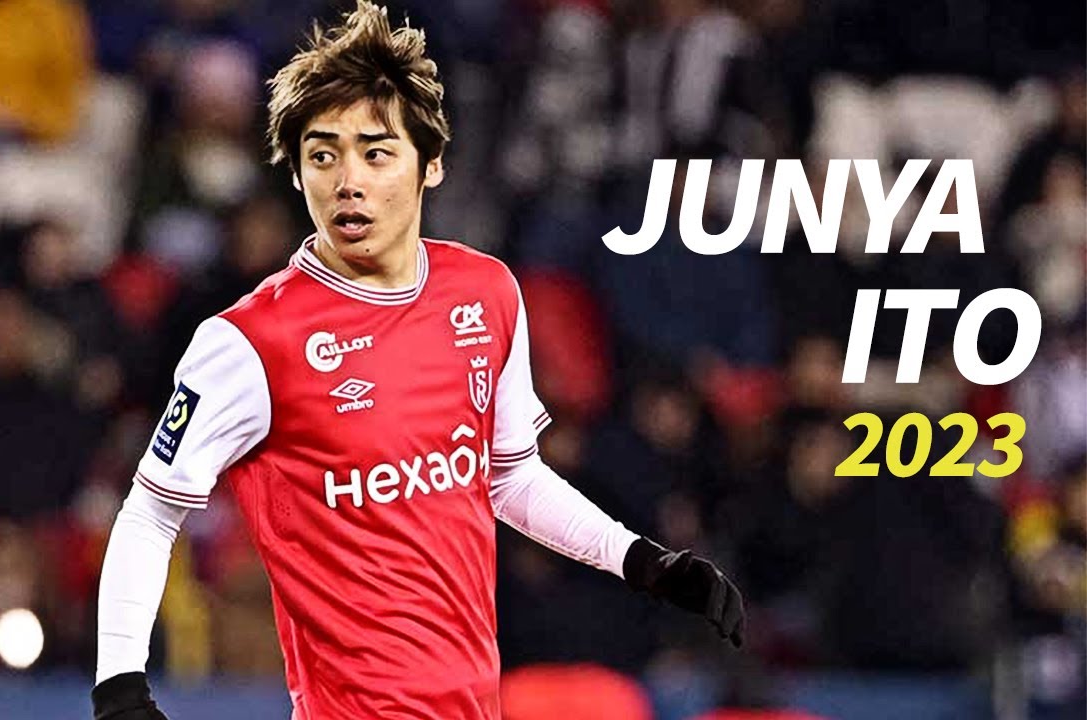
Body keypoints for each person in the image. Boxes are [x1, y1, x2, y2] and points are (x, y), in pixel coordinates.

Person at [91, 4, 744, 719]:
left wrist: (642, 561)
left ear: (430, 163)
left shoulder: (486, 294)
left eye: (375, 153)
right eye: (322, 155)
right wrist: (121, 688)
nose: (348, 181)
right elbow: (150, 512)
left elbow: (509, 477)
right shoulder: (247, 343)